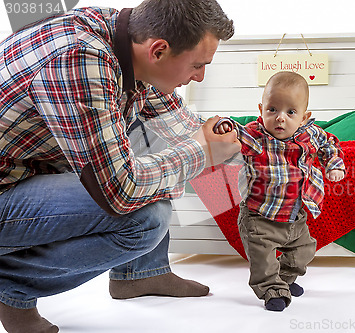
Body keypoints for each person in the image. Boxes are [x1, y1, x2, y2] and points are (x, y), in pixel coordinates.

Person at [0, 0, 240, 332]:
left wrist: (255, 140)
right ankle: (11, 287)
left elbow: (181, 126)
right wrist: (200, 153)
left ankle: (140, 274)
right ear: (159, 51)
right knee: (147, 215)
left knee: (144, 140)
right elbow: (120, 192)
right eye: (198, 65)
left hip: (21, 173)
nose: (199, 77)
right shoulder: (80, 59)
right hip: (5, 189)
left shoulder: (125, 36)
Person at [214, 71, 345, 312]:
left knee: (303, 251)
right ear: (261, 109)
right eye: (272, 109)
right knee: (263, 259)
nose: (280, 118)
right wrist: (226, 126)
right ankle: (271, 289)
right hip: (260, 219)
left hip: (295, 217)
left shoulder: (311, 135)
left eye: (290, 112)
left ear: (304, 117)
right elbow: (238, 132)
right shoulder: (257, 137)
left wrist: (333, 164)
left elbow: (330, 143)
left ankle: (284, 279)